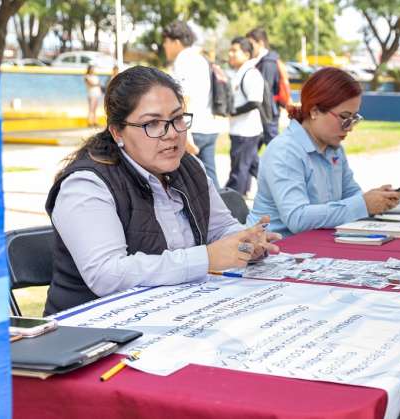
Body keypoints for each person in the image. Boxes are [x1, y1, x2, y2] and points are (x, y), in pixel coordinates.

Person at [44, 66, 280, 315]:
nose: (171, 134)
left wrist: (246, 242)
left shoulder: (189, 166)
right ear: (117, 132)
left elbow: (220, 229)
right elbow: (107, 274)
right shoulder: (87, 185)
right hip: (93, 333)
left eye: (177, 119)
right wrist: (207, 258)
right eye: (152, 124)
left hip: (174, 314)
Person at [246, 67, 400, 237]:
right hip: (273, 249)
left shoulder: (333, 148)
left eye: (354, 119)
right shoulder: (285, 151)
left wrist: (376, 200)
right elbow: (297, 218)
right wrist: (363, 205)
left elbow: (351, 195)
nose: (349, 128)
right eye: (344, 117)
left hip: (315, 243)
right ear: (314, 111)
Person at [163, 20, 223, 189]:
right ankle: (223, 213)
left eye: (166, 42)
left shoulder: (184, 59)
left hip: (193, 130)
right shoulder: (200, 58)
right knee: (210, 182)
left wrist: (183, 131)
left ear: (176, 41)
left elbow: (184, 97)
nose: (164, 46)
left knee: (183, 182)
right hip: (208, 127)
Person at [226, 36, 264, 196]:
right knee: (257, 168)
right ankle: (283, 190)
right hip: (241, 131)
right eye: (230, 50)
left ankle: (234, 209)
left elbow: (255, 101)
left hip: (246, 132)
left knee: (239, 172)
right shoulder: (240, 73)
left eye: (235, 51)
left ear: (247, 54)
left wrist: (232, 111)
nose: (230, 54)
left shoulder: (250, 73)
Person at [246, 27, 280, 146]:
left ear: (260, 43)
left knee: (274, 148)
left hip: (268, 114)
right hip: (264, 113)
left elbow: (266, 91)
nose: (248, 49)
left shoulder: (268, 62)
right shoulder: (261, 61)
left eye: (251, 44)